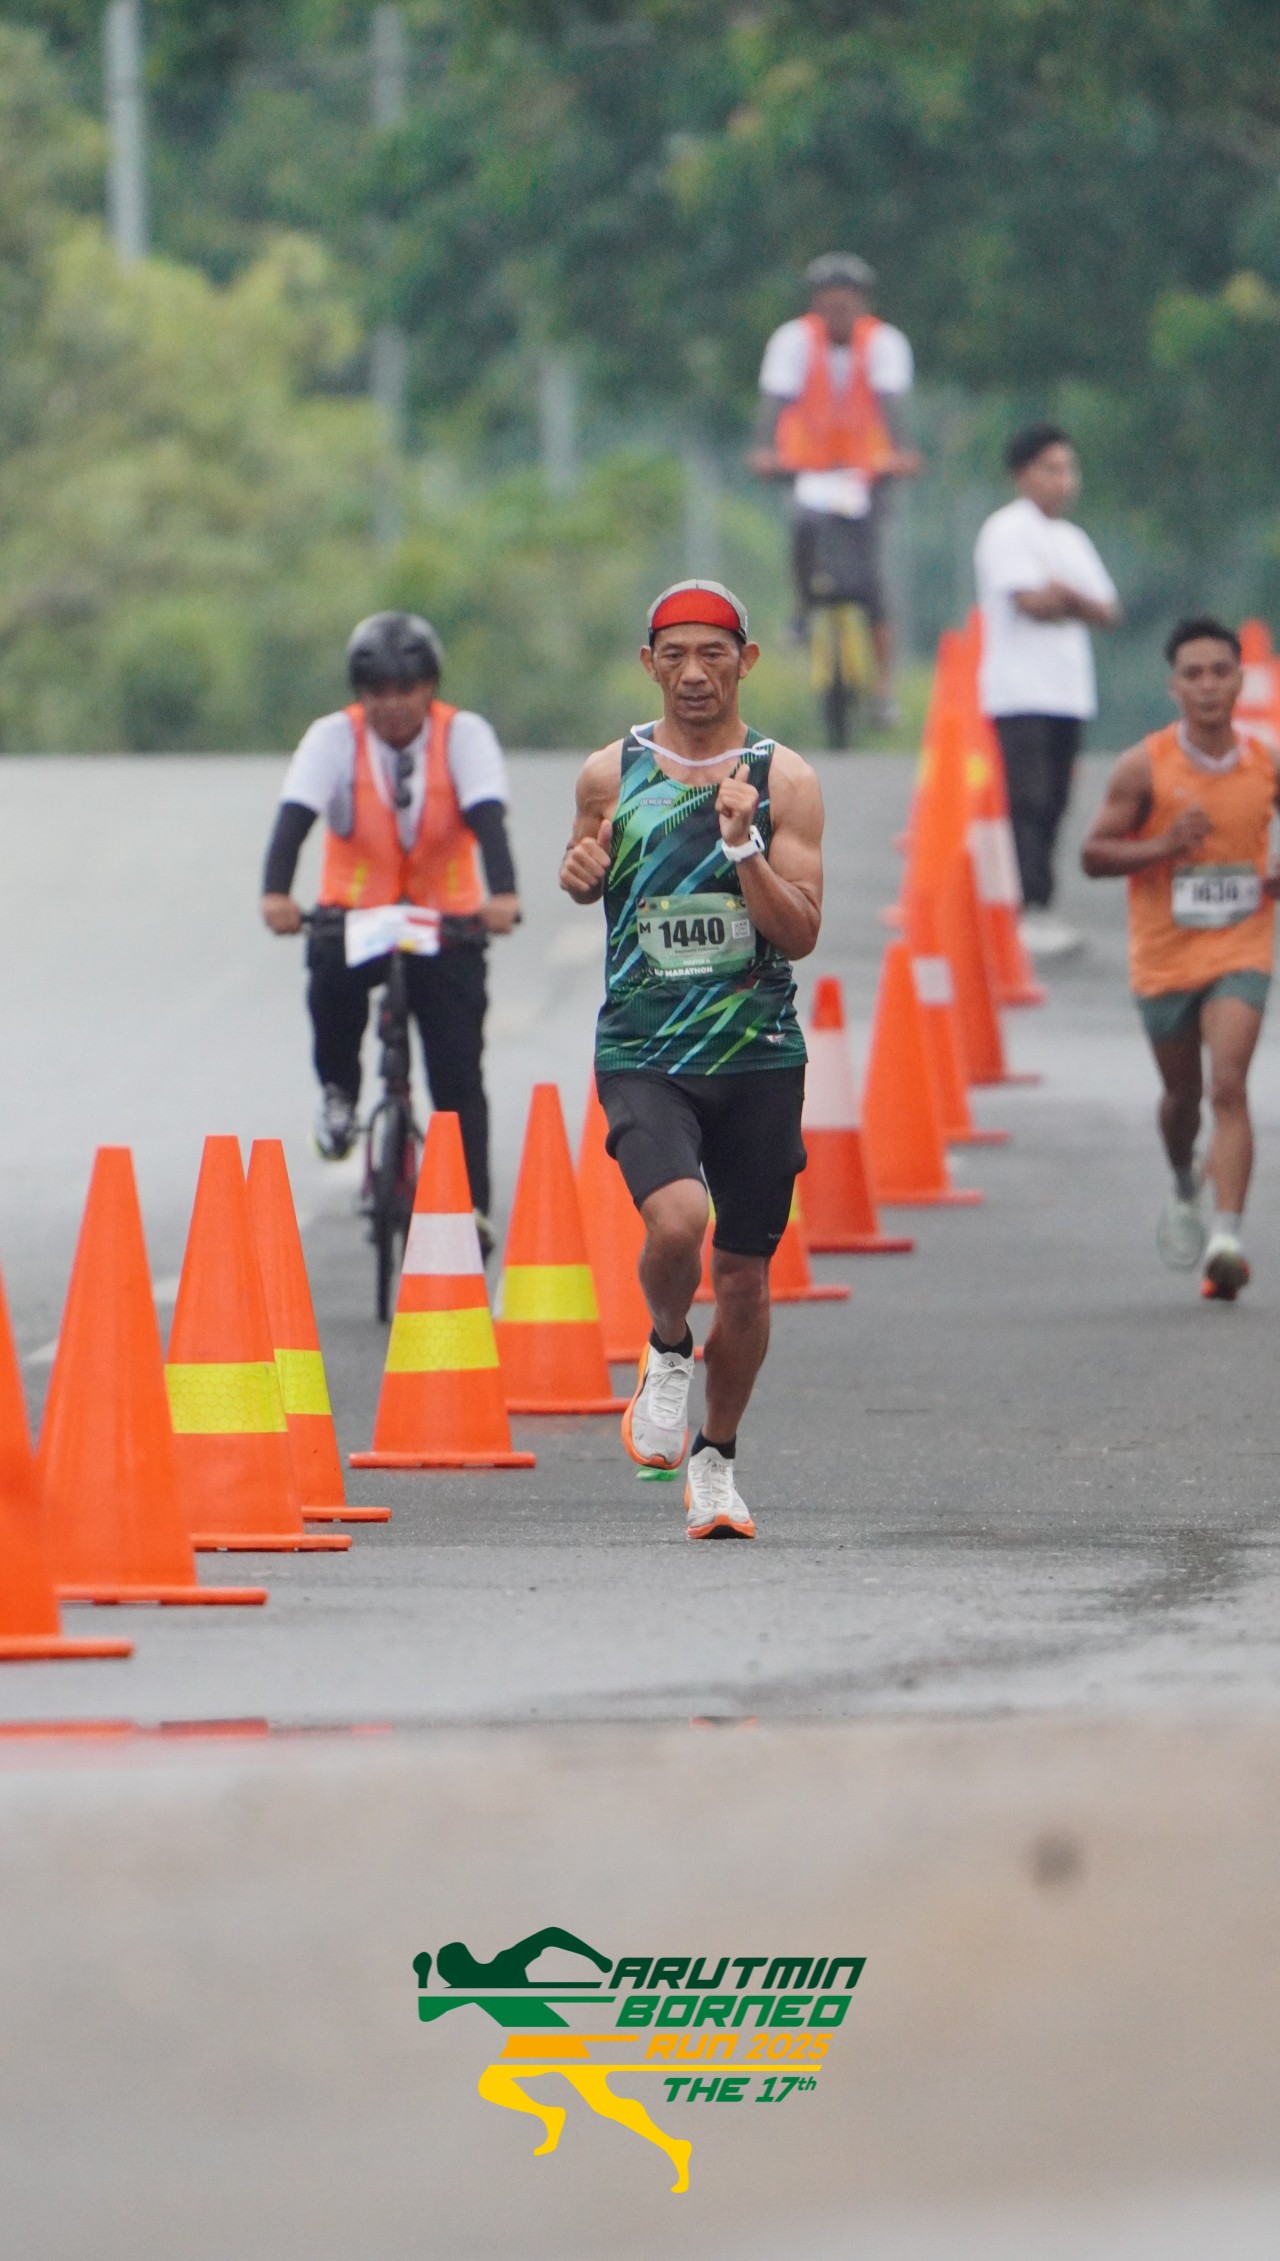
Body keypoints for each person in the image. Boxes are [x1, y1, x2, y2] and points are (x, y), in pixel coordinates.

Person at [559, 579, 823, 1541]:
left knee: (745, 1276)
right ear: (649, 665)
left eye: (714, 653)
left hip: (757, 1054)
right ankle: (668, 1345)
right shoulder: (610, 771)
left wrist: (745, 847)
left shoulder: (783, 779)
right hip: (645, 1045)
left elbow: (801, 932)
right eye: (675, 655)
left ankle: (716, 1460)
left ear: (745, 660)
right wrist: (578, 871)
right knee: (678, 1220)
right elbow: (584, 865)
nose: (695, 673)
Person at [260, 611, 520, 1247]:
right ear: (360, 695)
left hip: (445, 922)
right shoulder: (333, 739)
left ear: (430, 687)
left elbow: (488, 820)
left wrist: (503, 896)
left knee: (458, 1072)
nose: (393, 705)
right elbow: (293, 821)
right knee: (330, 987)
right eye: (377, 692)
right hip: (357, 917)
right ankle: (340, 1093)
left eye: (407, 689)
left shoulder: (463, 736)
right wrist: (276, 895)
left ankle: (472, 1210)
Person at [1081, 617, 1280, 1300]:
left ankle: (1227, 1238)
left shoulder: (1265, 762)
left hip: (1242, 945)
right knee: (1183, 1100)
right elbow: (1093, 854)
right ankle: (1182, 1178)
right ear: (1174, 686)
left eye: (1220, 671)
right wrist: (1165, 845)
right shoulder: (1144, 767)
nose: (1208, 685)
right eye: (1194, 674)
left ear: (1240, 680)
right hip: (1165, 955)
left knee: (1229, 1086)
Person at [752, 253, 921, 725]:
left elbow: (891, 403)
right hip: (810, 467)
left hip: (866, 471)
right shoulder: (793, 341)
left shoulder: (883, 342)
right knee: (803, 532)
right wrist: (764, 450)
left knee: (872, 582)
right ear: (816, 304)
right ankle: (802, 609)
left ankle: (883, 690)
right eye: (828, 302)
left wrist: (903, 453)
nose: (837, 312)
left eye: (846, 302)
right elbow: (775, 400)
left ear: (862, 304)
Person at [975, 423, 1121, 960]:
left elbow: (1107, 609)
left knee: (1057, 800)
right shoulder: (1006, 530)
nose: (1065, 481)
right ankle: (1022, 906)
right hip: (1018, 692)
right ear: (1023, 474)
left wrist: (1065, 596)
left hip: (1067, 693)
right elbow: (1031, 603)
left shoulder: (1071, 539)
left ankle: (1041, 904)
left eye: (1069, 469)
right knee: (1026, 799)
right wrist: (1069, 599)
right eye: (1052, 469)